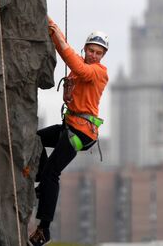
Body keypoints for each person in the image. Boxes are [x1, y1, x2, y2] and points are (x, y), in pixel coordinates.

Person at [28, 16, 109, 246]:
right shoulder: (81, 68)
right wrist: (47, 19)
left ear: (103, 56)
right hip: (69, 126)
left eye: (98, 52)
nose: (94, 55)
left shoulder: (98, 72)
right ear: (85, 49)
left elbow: (76, 63)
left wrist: (55, 35)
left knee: (53, 173)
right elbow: (73, 59)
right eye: (91, 50)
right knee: (36, 139)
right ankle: (40, 182)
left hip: (81, 133)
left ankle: (44, 229)